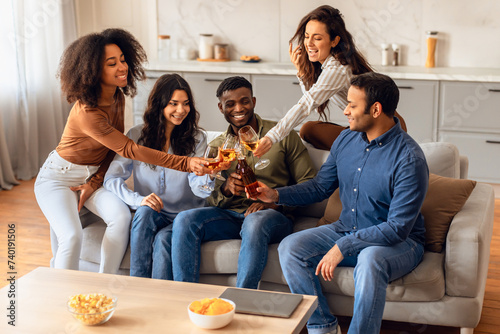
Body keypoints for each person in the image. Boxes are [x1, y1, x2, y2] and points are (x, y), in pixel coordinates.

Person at [253, 72, 428, 334]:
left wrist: (343, 246)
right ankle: (323, 326)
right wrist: (275, 195)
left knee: (370, 259)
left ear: (376, 109)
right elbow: (320, 187)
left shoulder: (409, 158)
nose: (345, 110)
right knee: (291, 248)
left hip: (398, 242)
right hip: (347, 228)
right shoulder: (346, 139)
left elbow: (397, 228)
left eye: (352, 105)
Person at [34, 29, 211, 274]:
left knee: (121, 218)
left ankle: (106, 284)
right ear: (94, 71)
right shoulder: (87, 112)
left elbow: (110, 151)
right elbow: (129, 149)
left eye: (123, 59)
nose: (122, 67)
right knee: (72, 236)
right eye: (112, 63)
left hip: (92, 175)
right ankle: (64, 293)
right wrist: (186, 163)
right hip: (58, 177)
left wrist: (95, 181)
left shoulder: (117, 96)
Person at [171, 76, 317, 289]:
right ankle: (186, 297)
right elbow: (208, 196)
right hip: (230, 216)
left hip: (272, 216)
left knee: (254, 222)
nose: (238, 108)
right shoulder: (218, 146)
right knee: (184, 220)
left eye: (244, 101)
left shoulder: (281, 135)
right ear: (221, 108)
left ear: (254, 101)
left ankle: (242, 301)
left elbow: (310, 183)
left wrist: (274, 202)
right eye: (230, 104)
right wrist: (227, 190)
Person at [254, 5, 407, 154]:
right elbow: (313, 96)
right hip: (364, 129)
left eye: (317, 38)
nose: (309, 43)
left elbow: (308, 103)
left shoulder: (337, 68)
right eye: (307, 36)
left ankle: (364, 155)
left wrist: (271, 137)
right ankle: (355, 153)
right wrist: (301, 72)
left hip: (384, 132)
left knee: (308, 129)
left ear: (334, 41)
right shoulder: (330, 63)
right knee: (308, 129)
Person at [104, 74, 215, 279]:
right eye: (174, 103)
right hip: (154, 213)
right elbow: (111, 179)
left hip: (184, 216)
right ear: (159, 104)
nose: (181, 110)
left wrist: (209, 175)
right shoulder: (136, 136)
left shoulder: (197, 138)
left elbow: (199, 188)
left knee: (163, 242)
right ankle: (138, 287)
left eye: (186, 104)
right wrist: (138, 200)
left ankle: (159, 300)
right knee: (144, 212)